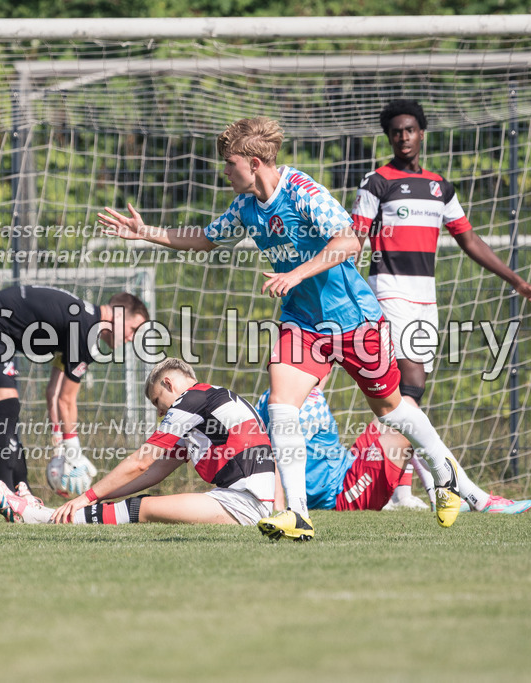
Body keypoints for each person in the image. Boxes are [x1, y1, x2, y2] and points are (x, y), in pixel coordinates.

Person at [99, 116, 468, 541]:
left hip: (353, 319)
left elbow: (350, 241)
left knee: (392, 409)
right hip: (303, 322)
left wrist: (296, 274)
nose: (225, 171)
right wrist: (146, 232)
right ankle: (297, 513)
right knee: (281, 405)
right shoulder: (246, 208)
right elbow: (206, 237)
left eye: (230, 163)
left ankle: (445, 470)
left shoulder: (302, 191)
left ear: (254, 163)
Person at [351, 99, 531, 506]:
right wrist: (351, 293)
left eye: (409, 129)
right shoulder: (377, 182)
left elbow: (469, 239)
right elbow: (355, 240)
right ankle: (452, 489)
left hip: (426, 299)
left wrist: (517, 282)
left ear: (422, 133)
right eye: (396, 131)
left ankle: (397, 490)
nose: (403, 137)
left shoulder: (440, 187)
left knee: (405, 398)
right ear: (389, 137)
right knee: (410, 390)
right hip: (388, 290)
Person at [0, 358, 278, 529]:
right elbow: (153, 471)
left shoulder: (190, 400)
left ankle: (40, 517)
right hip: (251, 500)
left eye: (157, 401)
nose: (159, 411)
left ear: (169, 384)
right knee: (137, 505)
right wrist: (103, 494)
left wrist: (86, 497)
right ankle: (44, 515)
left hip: (244, 502)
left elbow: (141, 461)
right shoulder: (210, 401)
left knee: (141, 509)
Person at [0, 285, 148, 515]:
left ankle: (21, 492)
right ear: (118, 314)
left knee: (9, 411)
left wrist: (59, 448)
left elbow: (54, 393)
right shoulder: (86, 329)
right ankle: (8, 494)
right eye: (133, 328)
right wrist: (74, 453)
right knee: (7, 407)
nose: (131, 337)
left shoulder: (84, 322)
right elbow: (67, 400)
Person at [256, 386, 531, 514]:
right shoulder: (295, 406)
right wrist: (280, 506)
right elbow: (275, 456)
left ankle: (435, 497)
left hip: (347, 465)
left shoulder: (279, 396)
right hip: (339, 494)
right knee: (404, 432)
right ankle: (477, 500)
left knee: (403, 410)